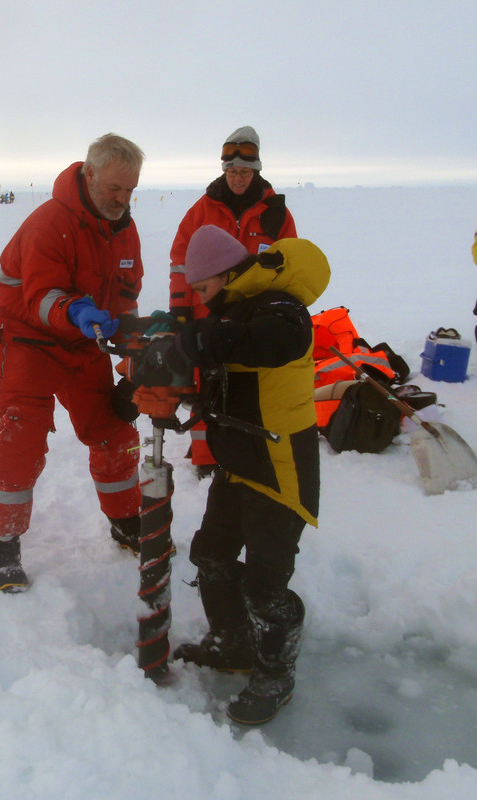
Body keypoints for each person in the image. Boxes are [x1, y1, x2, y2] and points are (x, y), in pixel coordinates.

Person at [132, 225, 330, 725]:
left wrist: (199, 338)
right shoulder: (230, 314)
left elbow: (271, 344)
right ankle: (233, 642)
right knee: (211, 555)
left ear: (224, 273)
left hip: (279, 468)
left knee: (266, 585)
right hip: (240, 465)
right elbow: (230, 374)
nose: (198, 299)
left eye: (201, 288)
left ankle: (275, 674)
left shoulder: (280, 307)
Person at [0, 133, 146, 592]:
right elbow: (40, 294)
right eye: (114, 188)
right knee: (22, 437)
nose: (121, 199)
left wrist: (131, 366)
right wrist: (72, 309)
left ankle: (128, 521)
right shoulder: (50, 222)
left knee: (114, 432)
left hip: (82, 343)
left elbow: (126, 303)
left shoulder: (124, 230)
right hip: (29, 338)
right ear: (89, 174)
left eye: (129, 190)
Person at [167, 126, 298, 473]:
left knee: (242, 387)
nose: (238, 179)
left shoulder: (277, 215)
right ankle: (206, 460)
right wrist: (180, 307)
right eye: (231, 171)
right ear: (223, 170)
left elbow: (290, 268)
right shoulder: (201, 210)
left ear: (256, 171)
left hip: (249, 321)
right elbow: (180, 261)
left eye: (244, 172)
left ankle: (241, 454)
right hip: (204, 314)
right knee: (200, 388)